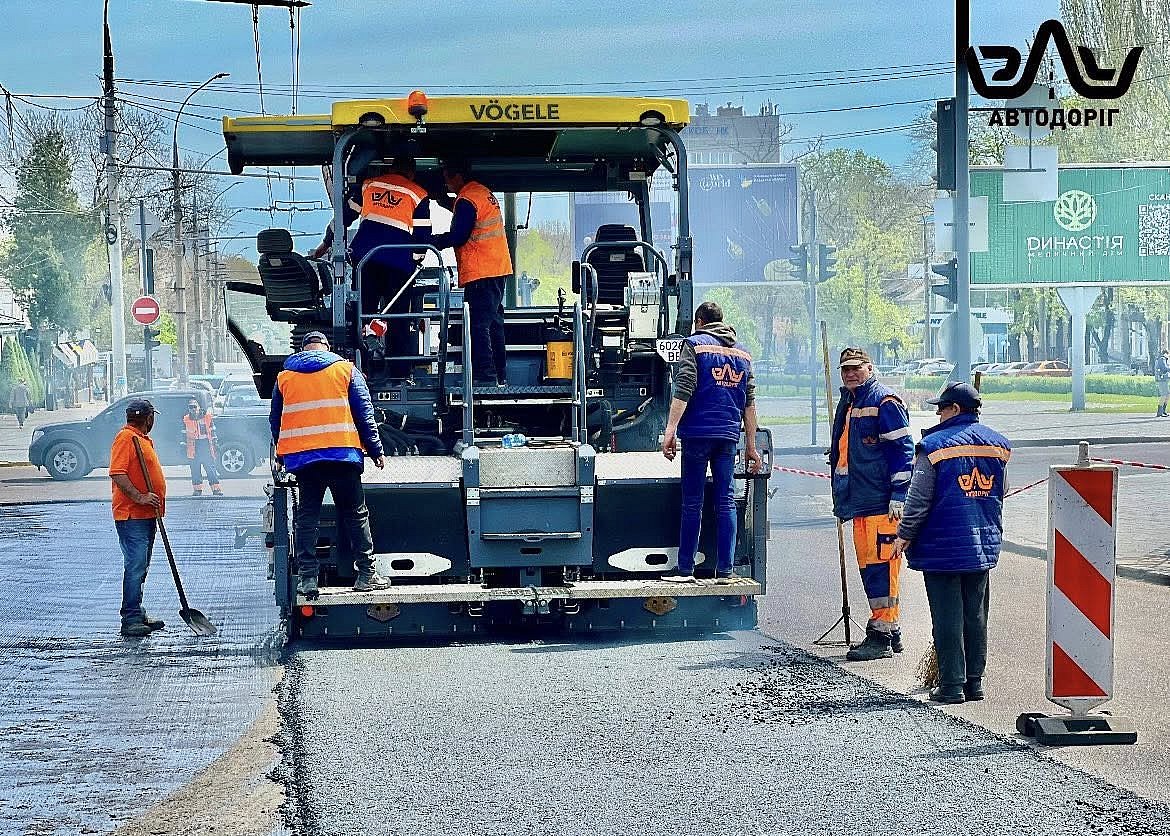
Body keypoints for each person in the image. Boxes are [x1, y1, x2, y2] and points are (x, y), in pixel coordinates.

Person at [891, 382, 1011, 704]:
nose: (938, 414)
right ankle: (975, 683)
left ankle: (951, 686)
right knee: (975, 615)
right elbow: (1003, 491)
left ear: (955, 410)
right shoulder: (998, 446)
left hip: (942, 546)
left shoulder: (933, 446)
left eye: (940, 409)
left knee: (947, 618)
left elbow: (918, 500)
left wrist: (903, 536)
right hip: (981, 544)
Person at [270, 330, 390, 599]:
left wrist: (281, 454)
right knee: (355, 513)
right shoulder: (346, 371)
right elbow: (364, 414)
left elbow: (275, 420)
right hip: (342, 456)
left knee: (307, 518)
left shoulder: (285, 377)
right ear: (326, 348)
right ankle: (366, 574)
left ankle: (308, 579)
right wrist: (375, 450)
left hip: (304, 460)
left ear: (303, 349)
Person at [660, 301, 763, 583]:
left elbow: (684, 388)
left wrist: (670, 429)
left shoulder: (694, 345)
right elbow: (749, 403)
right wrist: (751, 445)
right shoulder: (743, 353)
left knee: (693, 502)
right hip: (728, 437)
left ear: (699, 322)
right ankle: (725, 571)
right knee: (725, 501)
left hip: (697, 434)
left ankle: (685, 570)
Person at [829, 347, 915, 661]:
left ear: (870, 367)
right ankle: (889, 631)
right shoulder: (852, 402)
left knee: (882, 570)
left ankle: (881, 635)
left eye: (856, 368)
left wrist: (899, 495)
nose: (850, 373)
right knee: (872, 569)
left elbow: (904, 453)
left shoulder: (883, 401)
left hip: (882, 503)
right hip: (861, 501)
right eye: (845, 369)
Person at [310, 155, 431, 378]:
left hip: (366, 261)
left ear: (391, 167)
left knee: (362, 313)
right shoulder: (419, 195)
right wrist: (415, 261)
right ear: (412, 173)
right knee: (399, 318)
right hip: (398, 265)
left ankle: (362, 367)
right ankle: (399, 372)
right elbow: (422, 240)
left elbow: (343, 218)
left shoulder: (369, 186)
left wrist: (325, 245)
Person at [430, 158, 511, 387]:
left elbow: (459, 235)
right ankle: (500, 376)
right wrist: (446, 203)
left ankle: (485, 377)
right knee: (493, 324)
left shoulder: (466, 199)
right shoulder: (481, 192)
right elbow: (472, 217)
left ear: (457, 176)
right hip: (496, 269)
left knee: (478, 325)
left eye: (447, 178)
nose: (446, 183)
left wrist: (431, 242)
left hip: (481, 272)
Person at [108, 398, 168, 638]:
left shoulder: (138, 438)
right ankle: (130, 617)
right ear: (149, 419)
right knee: (135, 565)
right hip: (132, 514)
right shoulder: (126, 438)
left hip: (145, 515)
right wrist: (140, 497)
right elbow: (117, 473)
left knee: (140, 566)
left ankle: (137, 611)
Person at [182, 398, 223, 496]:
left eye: (194, 406)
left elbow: (213, 431)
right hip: (193, 448)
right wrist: (183, 446)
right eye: (190, 407)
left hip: (206, 446)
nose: (193, 409)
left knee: (210, 469)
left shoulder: (207, 417)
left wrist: (215, 443)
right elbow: (183, 434)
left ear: (199, 407)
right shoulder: (186, 419)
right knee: (195, 470)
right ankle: (197, 490)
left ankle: (216, 489)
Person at [1155, 348, 1170, 418]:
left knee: (1167, 395)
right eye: (1168, 354)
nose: (1169, 356)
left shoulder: (1163, 359)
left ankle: (1163, 411)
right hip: (1162, 380)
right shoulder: (1162, 359)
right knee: (1164, 395)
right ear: (1165, 353)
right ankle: (1160, 412)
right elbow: (1164, 368)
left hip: (1164, 380)